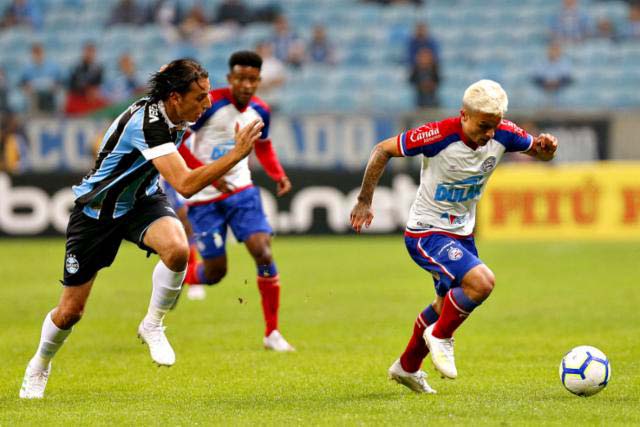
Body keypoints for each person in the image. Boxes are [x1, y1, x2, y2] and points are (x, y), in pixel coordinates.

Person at [19, 58, 264, 399]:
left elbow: (167, 70)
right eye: (200, 97)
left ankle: (153, 324)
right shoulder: (149, 125)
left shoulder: (176, 108)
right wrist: (236, 155)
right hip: (97, 212)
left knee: (178, 250)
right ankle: (40, 364)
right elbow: (185, 184)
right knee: (70, 312)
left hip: (141, 201)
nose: (208, 103)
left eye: (208, 94)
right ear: (175, 97)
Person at [350, 80, 558, 394]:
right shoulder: (437, 135)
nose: (490, 133)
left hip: (462, 234)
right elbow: (383, 149)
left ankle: (407, 366)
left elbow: (541, 154)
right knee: (482, 283)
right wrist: (364, 201)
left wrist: (547, 149)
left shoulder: (504, 133)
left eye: (495, 125)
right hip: (427, 232)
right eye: (483, 126)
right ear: (464, 115)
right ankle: (441, 336)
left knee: (443, 304)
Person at [178, 50, 294, 352]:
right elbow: (179, 143)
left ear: (259, 81)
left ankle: (272, 332)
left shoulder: (261, 111)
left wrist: (278, 174)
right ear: (230, 78)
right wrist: (209, 175)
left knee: (263, 252)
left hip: (241, 191)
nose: (246, 85)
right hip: (204, 198)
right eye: (241, 78)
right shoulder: (209, 104)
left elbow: (263, 145)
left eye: (252, 79)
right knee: (215, 272)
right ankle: (180, 278)